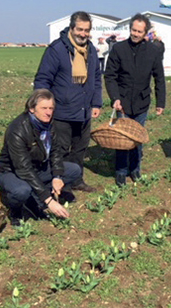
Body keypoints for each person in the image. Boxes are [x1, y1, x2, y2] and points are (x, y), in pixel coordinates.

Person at [33, 11, 101, 193]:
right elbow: (42, 80)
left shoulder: (91, 50)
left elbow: (96, 77)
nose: (83, 34)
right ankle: (61, 184)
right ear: (72, 28)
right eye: (80, 29)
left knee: (80, 148)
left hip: (84, 110)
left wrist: (96, 103)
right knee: (60, 151)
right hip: (61, 112)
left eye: (87, 30)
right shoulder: (56, 50)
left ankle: (76, 180)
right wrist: (42, 107)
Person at [0, 89, 81, 226]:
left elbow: (55, 152)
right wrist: (48, 200)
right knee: (21, 191)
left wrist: (57, 176)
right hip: (12, 171)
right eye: (43, 108)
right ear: (31, 109)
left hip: (38, 167)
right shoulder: (18, 130)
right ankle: (16, 211)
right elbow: (23, 169)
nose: (48, 112)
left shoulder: (48, 124)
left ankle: (34, 198)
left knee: (74, 170)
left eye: (51, 108)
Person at [104, 13, 166, 186]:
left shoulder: (153, 51)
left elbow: (159, 77)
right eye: (133, 30)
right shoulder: (118, 49)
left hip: (141, 101)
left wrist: (161, 102)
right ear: (130, 29)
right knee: (123, 138)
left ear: (145, 32)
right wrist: (115, 98)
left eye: (139, 31)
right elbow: (110, 76)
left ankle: (135, 169)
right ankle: (121, 171)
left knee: (137, 138)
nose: (136, 34)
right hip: (122, 102)